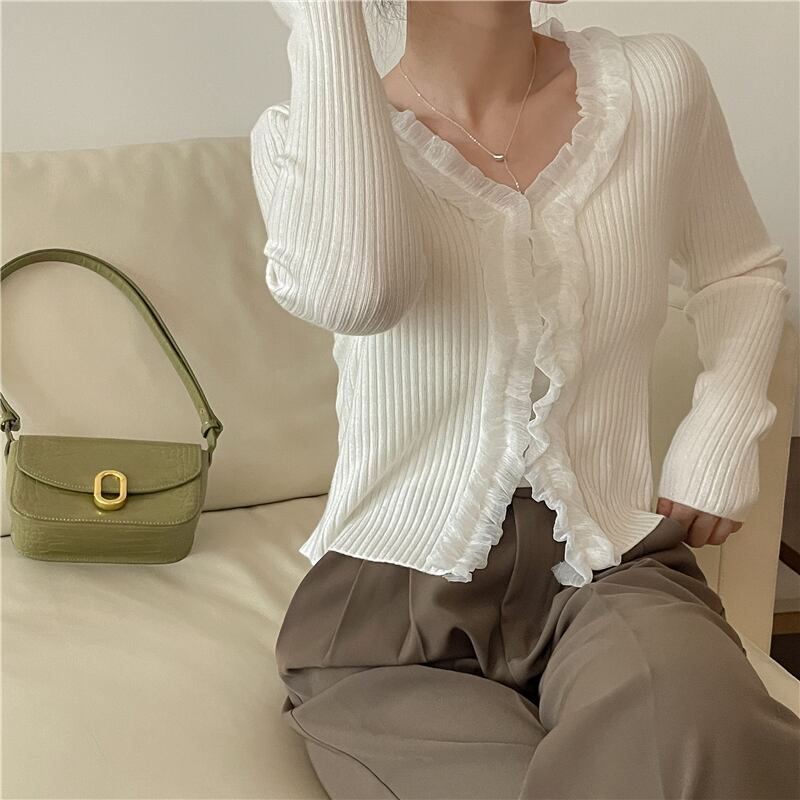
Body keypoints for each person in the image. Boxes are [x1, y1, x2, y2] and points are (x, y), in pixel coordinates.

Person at [250, 1, 800, 797]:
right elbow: (362, 292)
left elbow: (740, 270)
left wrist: (722, 429)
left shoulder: (655, 85)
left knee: (703, 729)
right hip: (394, 609)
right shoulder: (303, 143)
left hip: (607, 563)